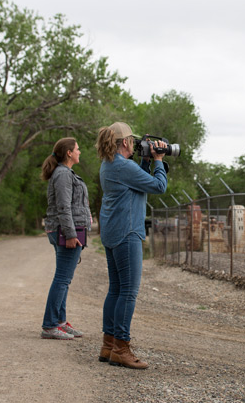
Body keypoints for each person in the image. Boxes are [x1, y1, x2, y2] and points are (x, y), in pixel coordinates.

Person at [96, 122, 167, 369]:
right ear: (125, 142)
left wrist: (146, 162)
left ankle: (109, 344)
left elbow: (137, 183)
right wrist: (158, 160)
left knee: (115, 290)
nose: (136, 144)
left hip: (113, 231)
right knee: (128, 292)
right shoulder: (123, 166)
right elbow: (158, 186)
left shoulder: (109, 164)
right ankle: (121, 348)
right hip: (127, 233)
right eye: (133, 141)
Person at [40, 137, 91, 340]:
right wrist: (70, 234)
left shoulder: (66, 173)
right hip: (65, 232)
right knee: (62, 279)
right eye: (77, 149)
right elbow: (63, 206)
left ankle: (59, 322)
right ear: (69, 152)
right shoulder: (62, 174)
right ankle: (50, 325)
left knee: (64, 279)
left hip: (68, 230)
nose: (80, 152)